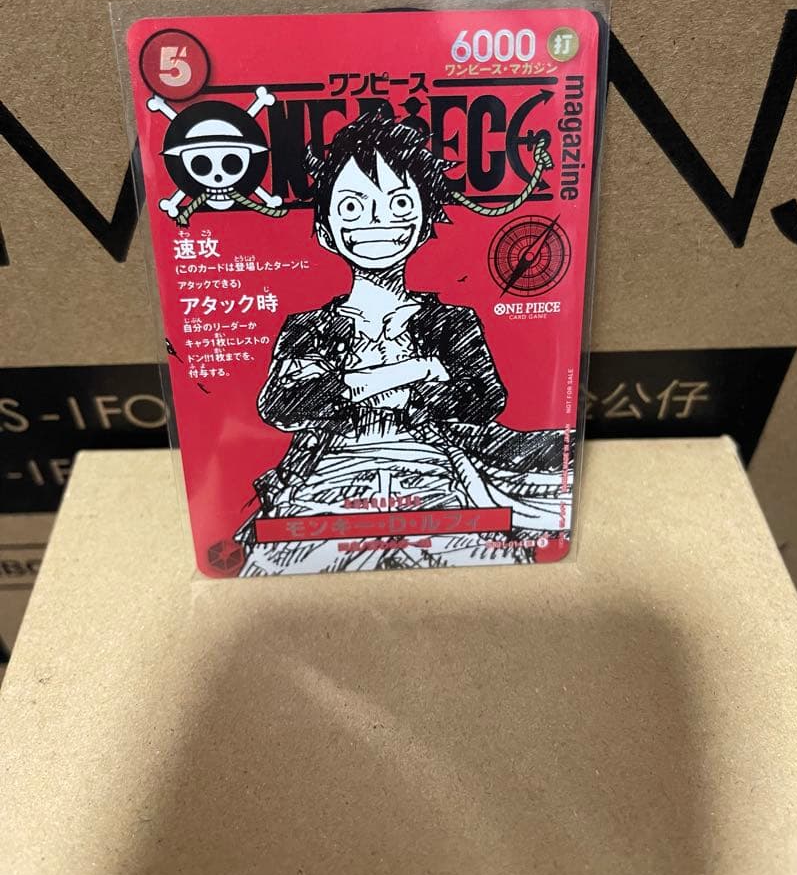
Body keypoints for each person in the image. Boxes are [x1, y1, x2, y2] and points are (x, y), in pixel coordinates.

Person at [236, 113, 569, 574]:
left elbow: (484, 399)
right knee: (281, 563)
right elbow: (280, 406)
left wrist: (352, 385)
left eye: (399, 204)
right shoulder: (308, 325)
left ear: (426, 222)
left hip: (435, 472)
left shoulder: (451, 321)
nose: (378, 221)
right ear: (325, 230)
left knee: (482, 556)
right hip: (326, 476)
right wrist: (419, 370)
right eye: (352, 207)